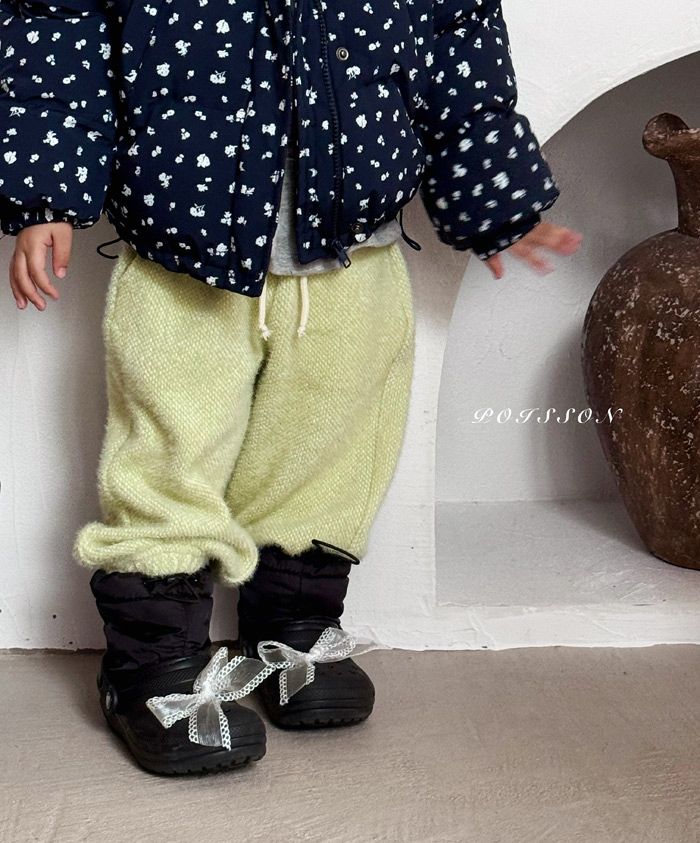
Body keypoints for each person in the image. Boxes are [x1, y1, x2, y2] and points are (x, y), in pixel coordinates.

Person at [1, 0, 582, 775]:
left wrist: (494, 191)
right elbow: (58, 25)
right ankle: (152, 661)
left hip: (354, 246)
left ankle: (293, 625)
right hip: (183, 243)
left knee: (329, 441)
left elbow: (457, 33)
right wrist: (46, 191)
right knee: (171, 444)